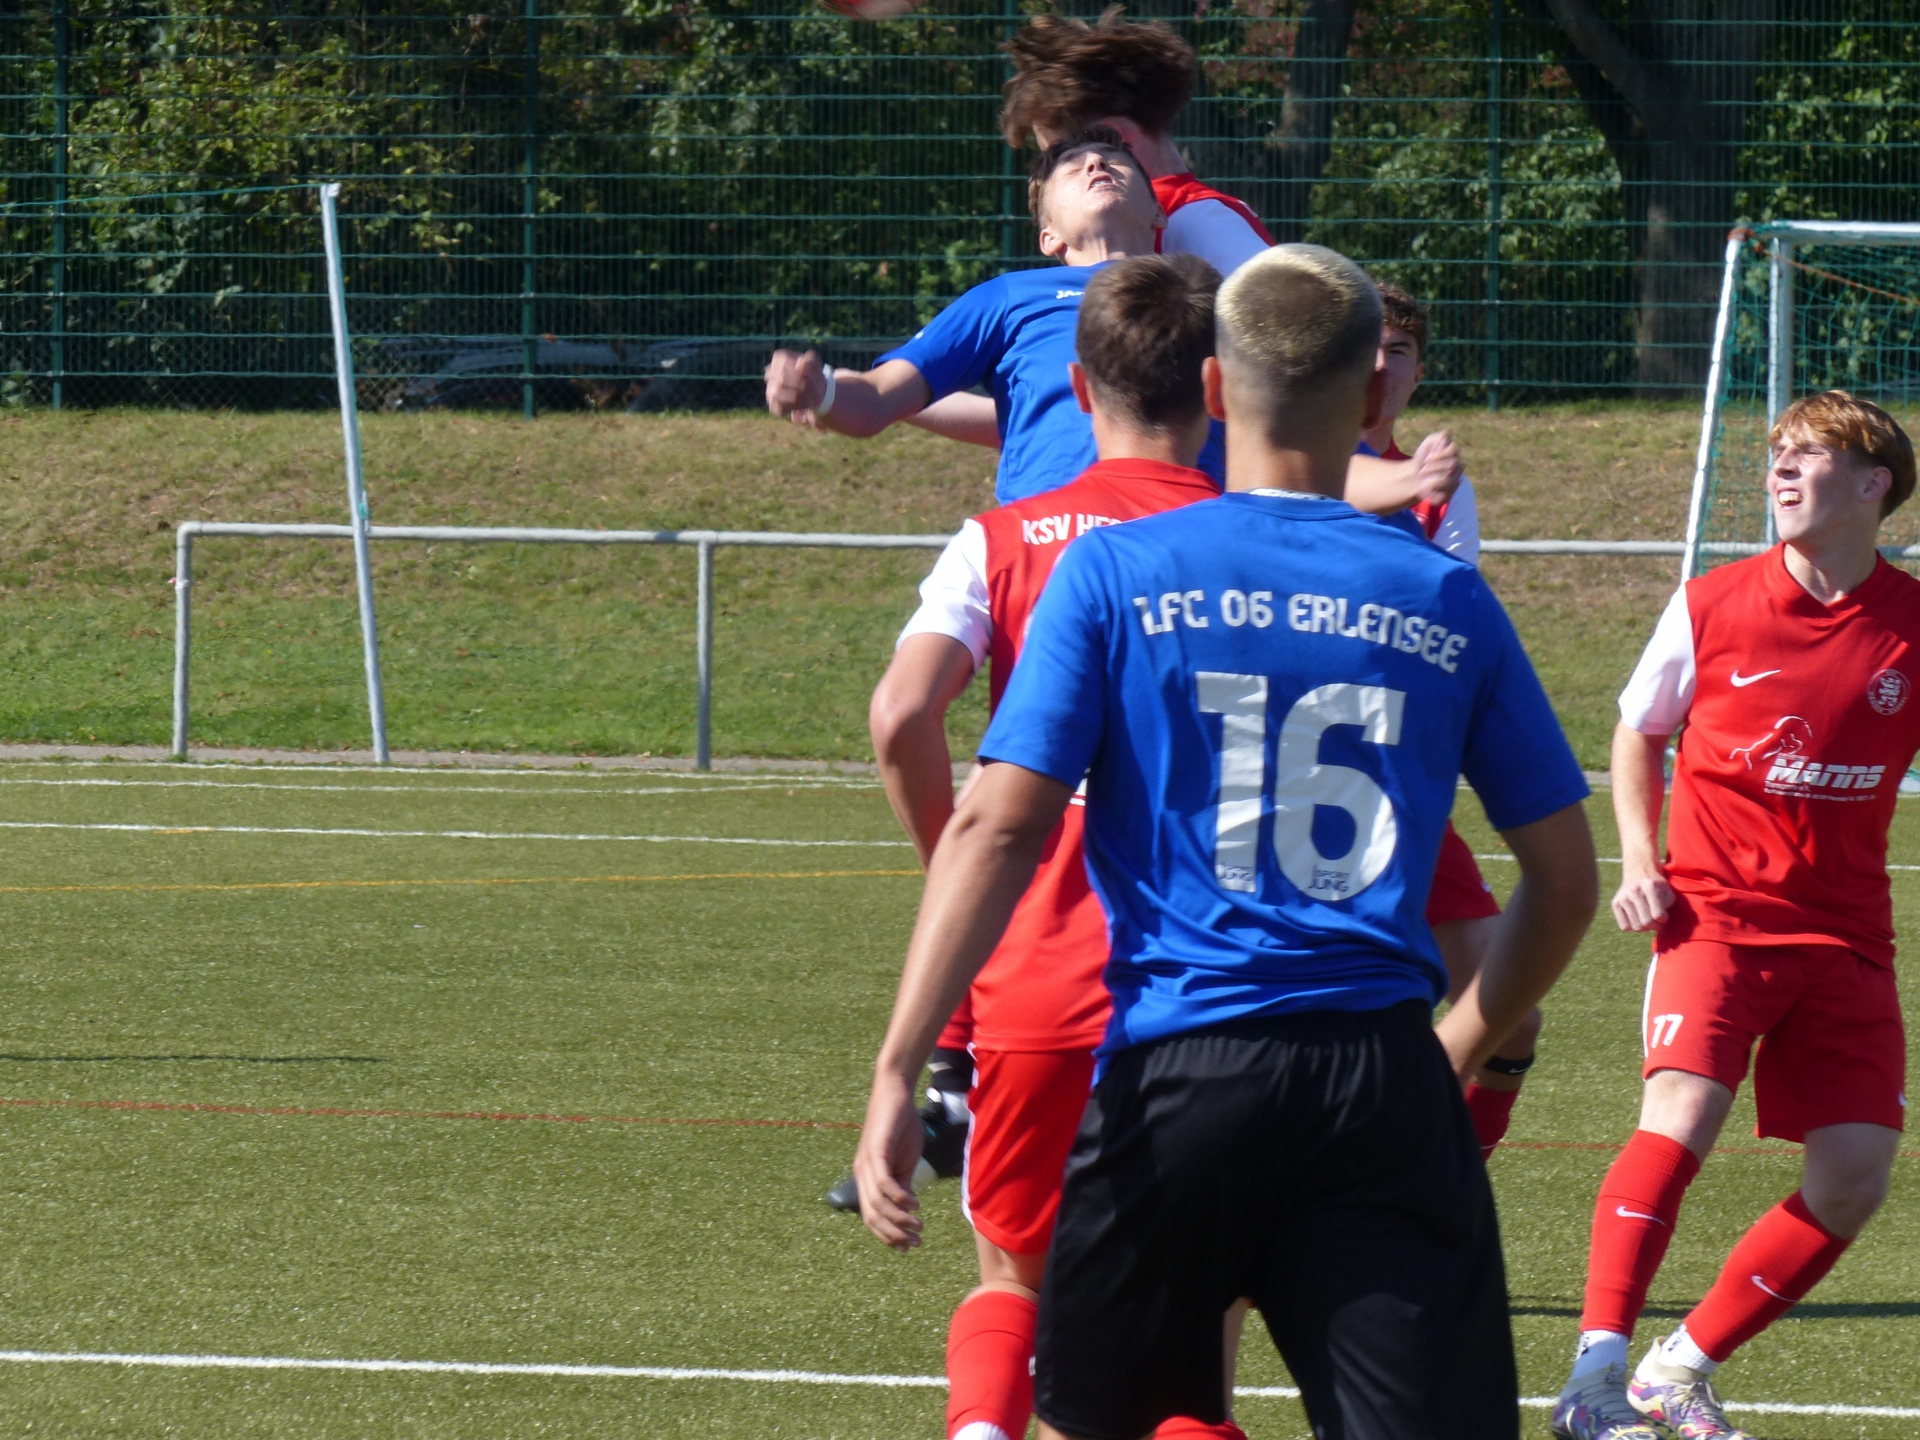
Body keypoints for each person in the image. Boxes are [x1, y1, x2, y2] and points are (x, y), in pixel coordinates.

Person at [854, 243, 1599, 1440]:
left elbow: (996, 825)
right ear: (1375, 392)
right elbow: (1562, 883)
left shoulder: (1113, 571)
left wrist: (904, 1067)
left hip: (1177, 1073)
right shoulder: (1442, 595)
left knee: (1106, 1411)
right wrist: (1456, 1045)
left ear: (1213, 387)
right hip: (1376, 1076)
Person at [881, 252, 1247, 1440]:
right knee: (1191, 1338)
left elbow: (901, 715)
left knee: (1013, 1279)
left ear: (1077, 391)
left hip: (1034, 971)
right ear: (1219, 388)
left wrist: (956, 867)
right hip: (1220, 988)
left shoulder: (1001, 539)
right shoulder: (1262, 549)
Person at [1551, 391, 1919, 1440]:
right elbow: (1638, 731)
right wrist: (1640, 858)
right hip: (1715, 916)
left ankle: (1678, 1369)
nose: (1782, 469)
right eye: (1778, 454)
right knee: (1681, 1118)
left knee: (1854, 1177)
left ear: (1874, 484)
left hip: (1848, 934)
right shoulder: (1711, 603)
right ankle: (1593, 1378)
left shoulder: (1912, 623)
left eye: (1809, 454)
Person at [1361, 280, 1537, 1159]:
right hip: (1297, 774)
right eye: (1365, 346)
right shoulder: (1272, 462)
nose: (1380, 365)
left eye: (1399, 351)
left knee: (1511, 1017)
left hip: (1401, 784)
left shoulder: (1438, 487)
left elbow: (1450, 620)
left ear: (1419, 371)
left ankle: (1442, 1189)